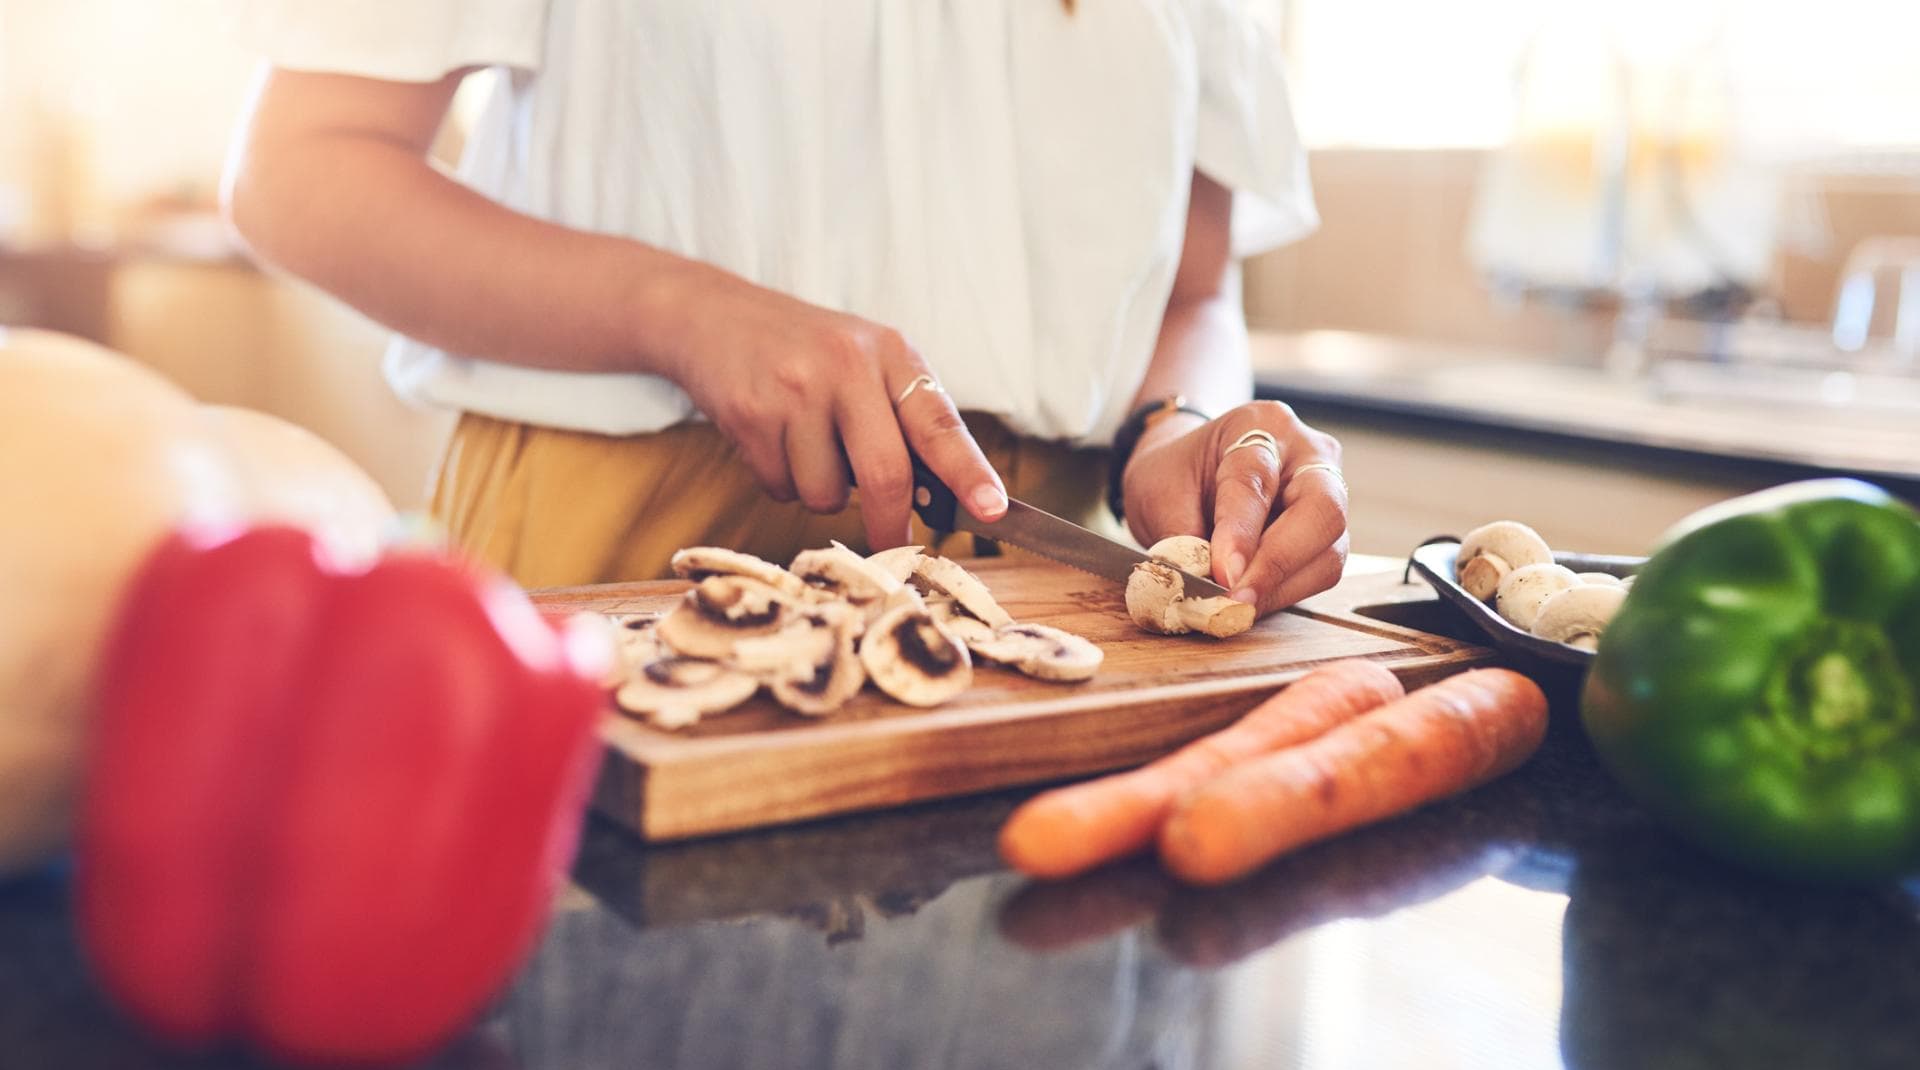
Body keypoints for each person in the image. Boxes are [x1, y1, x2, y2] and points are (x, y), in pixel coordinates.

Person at [221, 0, 1348, 615]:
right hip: (618, 555)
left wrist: (1181, 425)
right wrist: (683, 313)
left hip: (1052, 582)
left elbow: (1192, 288)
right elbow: (299, 171)